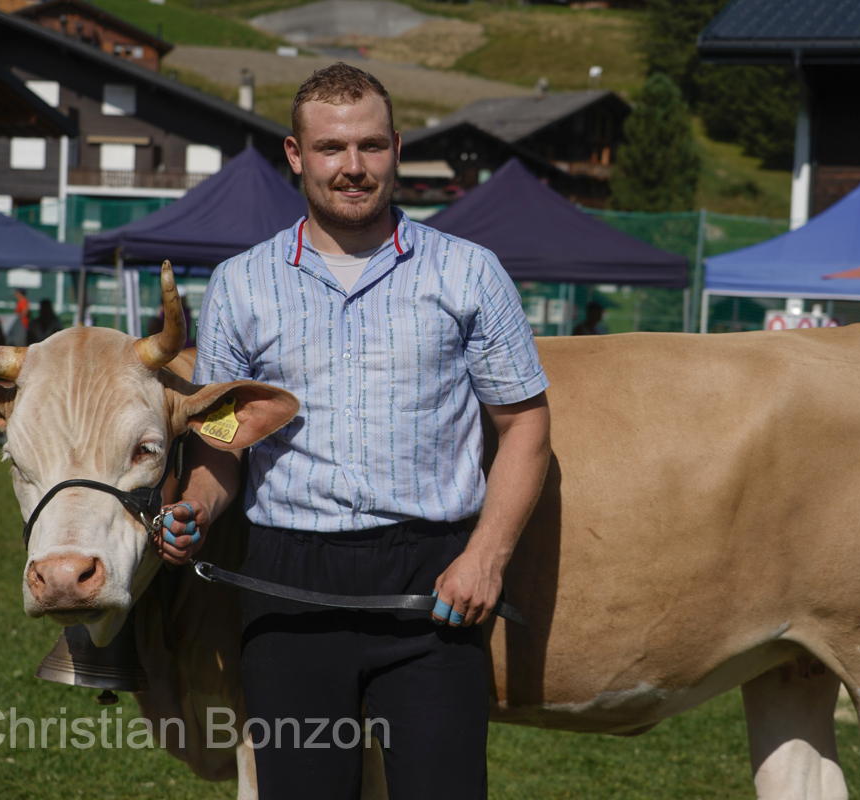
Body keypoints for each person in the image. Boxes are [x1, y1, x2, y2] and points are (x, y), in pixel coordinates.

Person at [157, 63, 551, 800]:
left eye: (371, 146)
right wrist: (196, 511)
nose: (353, 168)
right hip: (285, 587)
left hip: (432, 588)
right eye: (332, 148)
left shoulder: (468, 273)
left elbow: (525, 426)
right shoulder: (242, 284)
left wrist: (485, 559)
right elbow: (221, 451)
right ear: (296, 155)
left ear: (397, 148)